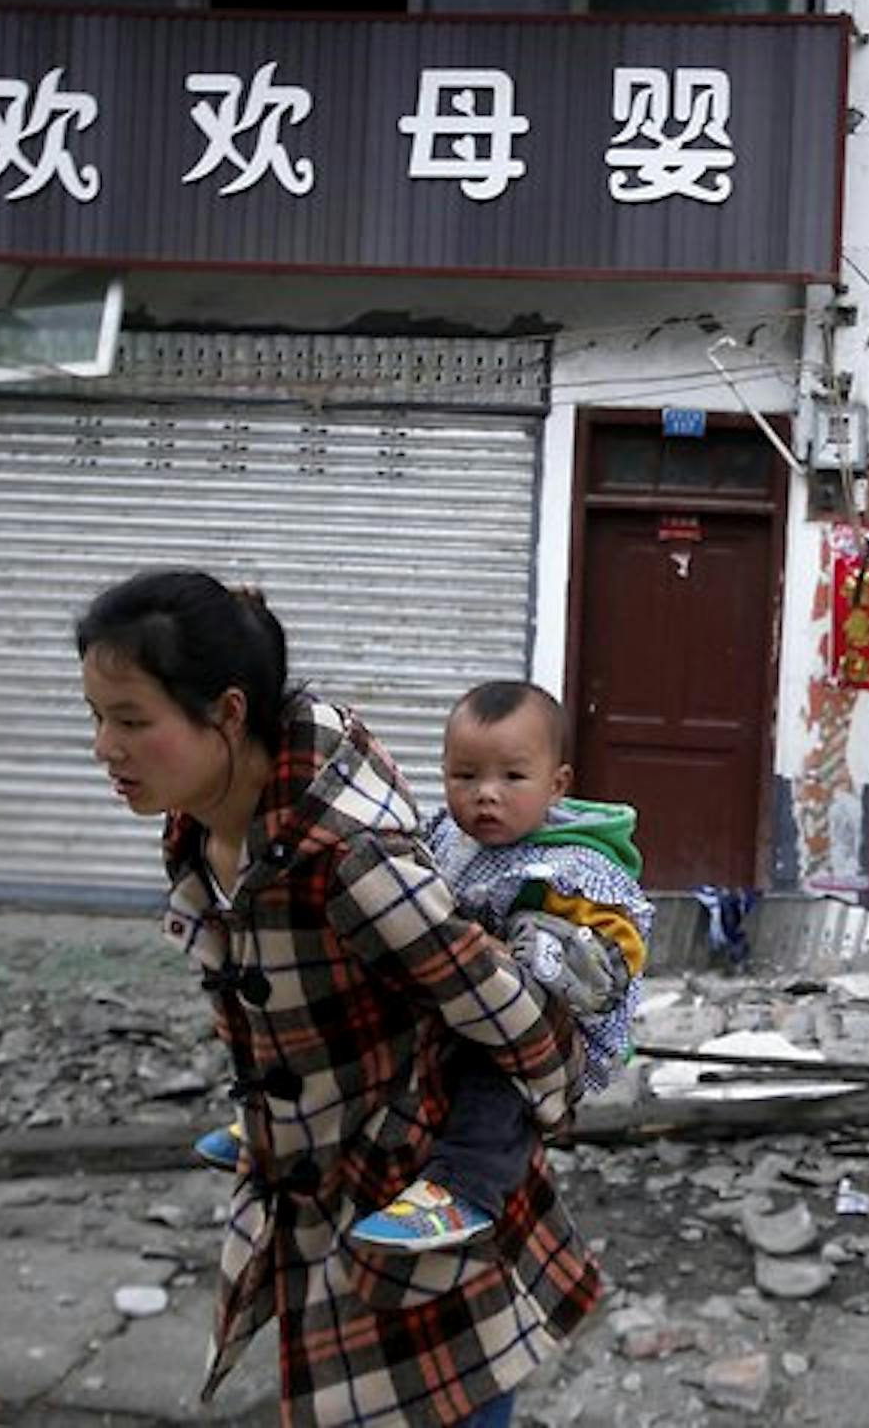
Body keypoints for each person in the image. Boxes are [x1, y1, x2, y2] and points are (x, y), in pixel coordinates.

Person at [76, 570, 598, 1428]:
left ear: (230, 713)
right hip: (320, 1209)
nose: (106, 746)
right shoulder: (203, 828)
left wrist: (483, 1148)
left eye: (132, 720)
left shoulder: (348, 859)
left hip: (416, 1218)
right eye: (97, 716)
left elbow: (521, 1020)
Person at [194, 679, 653, 1254]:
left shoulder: (575, 863)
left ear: (556, 783)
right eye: (466, 776)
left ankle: (465, 1186)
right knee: (368, 1024)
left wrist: (551, 952)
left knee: (491, 1083)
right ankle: (285, 1131)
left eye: (512, 778)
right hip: (458, 991)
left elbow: (615, 954)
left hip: (539, 1026)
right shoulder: (444, 837)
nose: (486, 795)